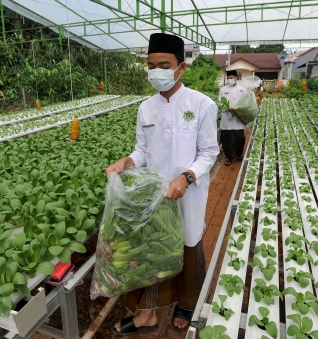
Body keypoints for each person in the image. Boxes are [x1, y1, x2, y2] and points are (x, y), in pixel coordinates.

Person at [105, 33, 219, 336]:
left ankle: (186, 305)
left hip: (188, 193)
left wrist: (186, 177)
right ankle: (148, 316)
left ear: (181, 67)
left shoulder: (202, 104)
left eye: (164, 65)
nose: (157, 71)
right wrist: (125, 162)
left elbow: (209, 152)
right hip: (156, 196)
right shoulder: (146, 108)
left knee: (188, 245)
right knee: (154, 249)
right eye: (152, 65)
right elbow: (142, 150)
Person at [219, 70, 247, 165]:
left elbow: (246, 101)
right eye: (228, 78)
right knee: (226, 139)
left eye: (231, 78)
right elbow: (220, 102)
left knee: (240, 138)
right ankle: (230, 157)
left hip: (238, 118)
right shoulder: (223, 90)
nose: (229, 80)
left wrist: (239, 110)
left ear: (236, 78)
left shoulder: (242, 89)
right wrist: (227, 108)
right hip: (227, 118)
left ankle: (239, 154)